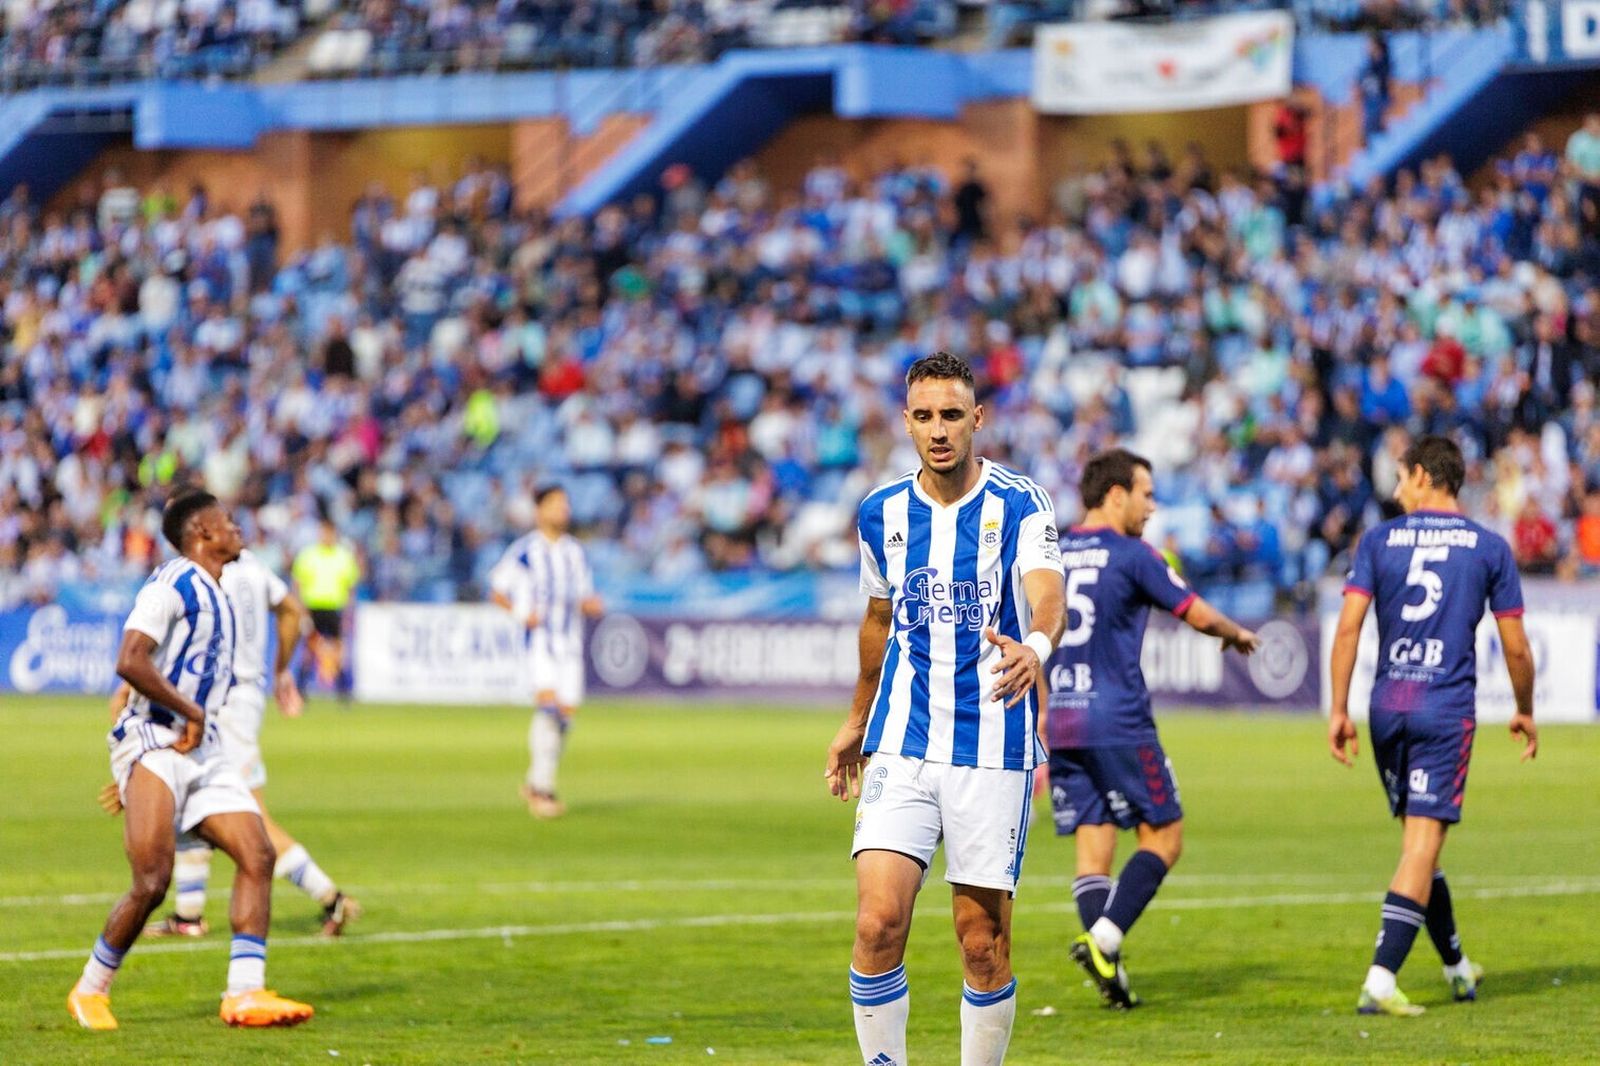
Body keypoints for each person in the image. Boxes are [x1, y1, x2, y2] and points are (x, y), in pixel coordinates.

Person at [825, 352, 1066, 1066]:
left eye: (952, 415)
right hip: (902, 739)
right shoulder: (881, 512)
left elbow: (1048, 595)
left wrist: (1037, 646)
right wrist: (857, 719)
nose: (938, 430)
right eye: (925, 416)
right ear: (906, 422)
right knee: (876, 925)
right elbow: (878, 621)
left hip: (991, 743)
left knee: (982, 944)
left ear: (977, 419)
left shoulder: (1020, 503)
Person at [67, 489, 313, 1031]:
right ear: (202, 532)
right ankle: (90, 989)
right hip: (156, 739)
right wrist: (174, 725)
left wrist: (194, 721)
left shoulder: (220, 591)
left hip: (201, 747)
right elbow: (130, 659)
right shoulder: (173, 581)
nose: (237, 528)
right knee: (153, 882)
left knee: (257, 853)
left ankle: (244, 994)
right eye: (227, 521)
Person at [1040, 448, 1261, 1009]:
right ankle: (1104, 941)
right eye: (1146, 494)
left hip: (1061, 717)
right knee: (1164, 836)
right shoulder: (1133, 554)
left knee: (1093, 848)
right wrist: (1235, 634)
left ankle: (1109, 971)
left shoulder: (1050, 553)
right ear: (1116, 495)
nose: (1152, 506)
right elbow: (1194, 611)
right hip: (1117, 719)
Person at [1328, 435, 1538, 1017]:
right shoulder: (1488, 547)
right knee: (1422, 844)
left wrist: (1339, 709)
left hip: (1387, 705)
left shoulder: (1377, 541)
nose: (1396, 490)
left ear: (1424, 475)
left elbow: (1347, 630)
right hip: (1443, 709)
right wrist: (1525, 708)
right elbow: (1516, 647)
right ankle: (1380, 979)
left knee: (1420, 846)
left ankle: (1455, 966)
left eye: (1400, 478)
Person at [118, 545, 361, 938]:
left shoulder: (203, 573)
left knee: (251, 817)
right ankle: (188, 915)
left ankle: (330, 897)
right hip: (244, 698)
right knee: (189, 797)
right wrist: (280, 670)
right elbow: (292, 611)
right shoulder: (253, 567)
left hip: (221, 702)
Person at [490, 485, 604, 819]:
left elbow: (584, 595)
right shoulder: (525, 551)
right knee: (549, 707)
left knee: (565, 717)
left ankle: (535, 781)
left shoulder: (575, 552)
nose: (563, 510)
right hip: (540, 642)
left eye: (565, 504)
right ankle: (542, 789)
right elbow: (497, 591)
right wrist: (522, 614)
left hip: (570, 644)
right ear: (539, 511)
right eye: (555, 504)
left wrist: (590, 605)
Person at [292, 516, 362, 702]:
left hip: (335, 608)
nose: (326, 536)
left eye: (329, 532)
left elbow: (351, 588)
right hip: (312, 608)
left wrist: (348, 613)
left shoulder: (344, 556)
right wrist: (301, 611)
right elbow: (297, 585)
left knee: (338, 651)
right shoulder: (308, 555)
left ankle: (343, 692)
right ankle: (300, 690)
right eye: (324, 532)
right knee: (309, 651)